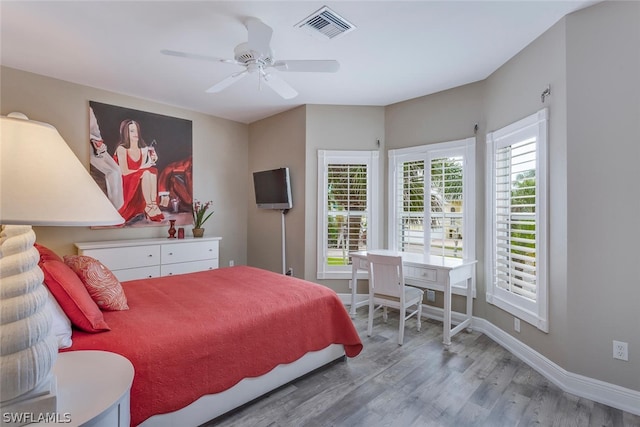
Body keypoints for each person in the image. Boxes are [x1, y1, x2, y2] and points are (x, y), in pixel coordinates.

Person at [113, 119, 164, 222]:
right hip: (127, 180)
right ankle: (149, 206)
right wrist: (144, 168)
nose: (135, 133)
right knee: (146, 172)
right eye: (132, 131)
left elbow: (146, 167)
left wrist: (152, 159)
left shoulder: (143, 149)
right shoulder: (122, 149)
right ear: (125, 133)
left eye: (136, 130)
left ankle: (153, 204)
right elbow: (125, 172)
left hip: (139, 180)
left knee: (152, 171)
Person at [89, 107, 123, 210]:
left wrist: (98, 142)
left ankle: (116, 208)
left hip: (95, 145)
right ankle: (112, 208)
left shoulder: (90, 111)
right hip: (89, 147)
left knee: (116, 170)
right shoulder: (122, 148)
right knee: (112, 172)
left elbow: (95, 131)